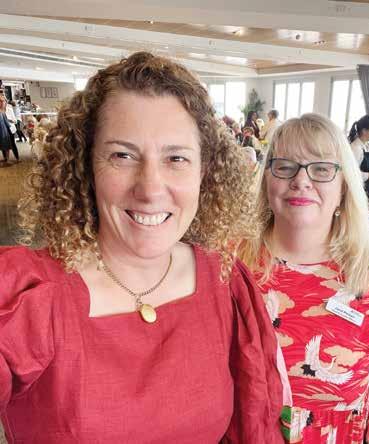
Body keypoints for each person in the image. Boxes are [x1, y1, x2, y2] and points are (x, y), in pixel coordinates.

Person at [0, 52, 284, 443]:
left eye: (176, 158)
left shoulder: (227, 284)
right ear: (87, 165)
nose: (150, 188)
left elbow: (254, 427)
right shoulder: (25, 295)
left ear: (204, 171)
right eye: (123, 155)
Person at [239, 113, 369, 443]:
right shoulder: (230, 267)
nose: (301, 180)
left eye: (321, 169)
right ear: (267, 179)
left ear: (343, 186)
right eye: (285, 166)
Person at [0, 95, 19, 164]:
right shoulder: (1, 111)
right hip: (2, 130)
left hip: (8, 130)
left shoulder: (8, 110)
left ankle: (16, 158)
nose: (2, 103)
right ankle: (5, 158)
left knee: (10, 144)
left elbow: (13, 121)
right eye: (1, 101)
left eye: (3, 101)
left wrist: (9, 121)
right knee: (3, 145)